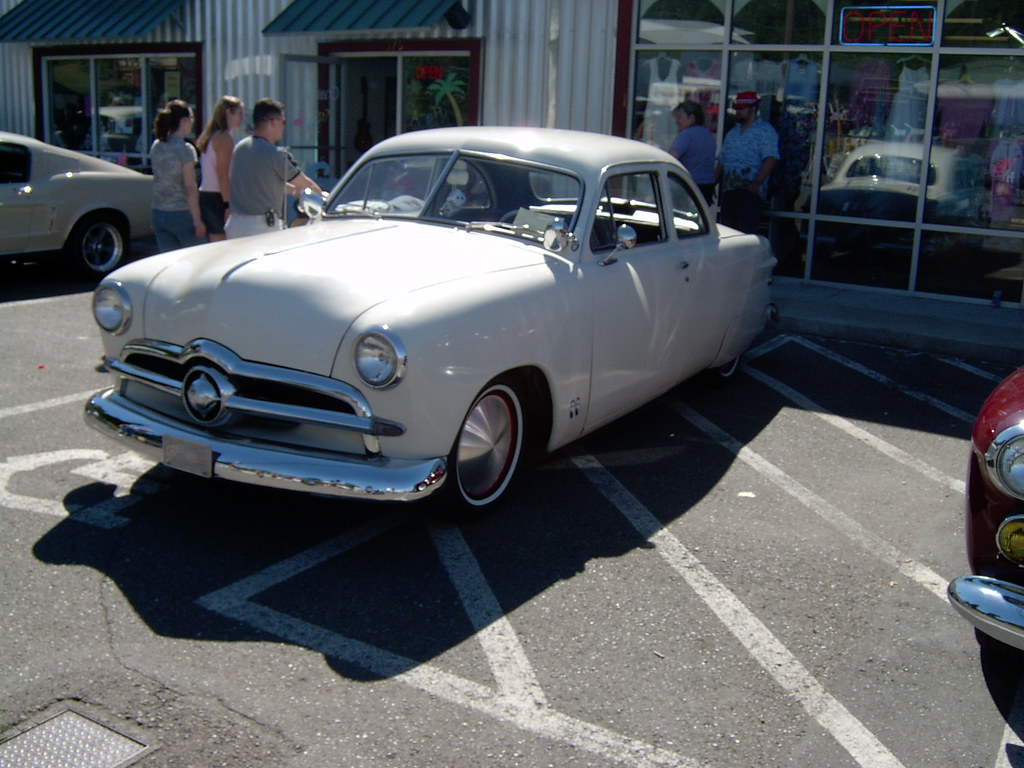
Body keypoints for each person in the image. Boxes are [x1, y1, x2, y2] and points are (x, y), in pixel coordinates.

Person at [225, 98, 324, 239]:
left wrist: (296, 192)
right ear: (273, 122)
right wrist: (325, 200)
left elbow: (265, 184)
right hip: (261, 227)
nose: (284, 127)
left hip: (236, 224)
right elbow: (305, 184)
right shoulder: (275, 154)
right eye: (283, 122)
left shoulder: (240, 147)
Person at [715, 91, 780, 234]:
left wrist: (756, 183)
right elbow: (722, 161)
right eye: (737, 108)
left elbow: (771, 158)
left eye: (741, 108)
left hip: (750, 193)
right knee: (728, 233)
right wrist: (713, 183)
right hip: (729, 192)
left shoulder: (765, 131)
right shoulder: (732, 133)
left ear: (753, 109)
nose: (737, 111)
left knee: (745, 232)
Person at [150, 99, 206, 252]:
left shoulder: (157, 146)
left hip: (158, 211)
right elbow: (189, 187)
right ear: (184, 120)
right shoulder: (185, 149)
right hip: (181, 212)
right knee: (196, 257)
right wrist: (197, 220)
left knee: (168, 261)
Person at [195, 95, 244, 241]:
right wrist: (228, 204)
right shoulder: (223, 138)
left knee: (217, 243)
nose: (242, 118)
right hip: (219, 196)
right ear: (228, 112)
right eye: (239, 113)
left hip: (209, 195)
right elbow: (222, 174)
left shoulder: (211, 135)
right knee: (223, 244)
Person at [668, 100, 717, 205]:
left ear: (692, 117)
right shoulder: (708, 135)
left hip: (689, 187)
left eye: (680, 117)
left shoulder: (686, 135)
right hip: (707, 186)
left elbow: (671, 159)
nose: (677, 121)